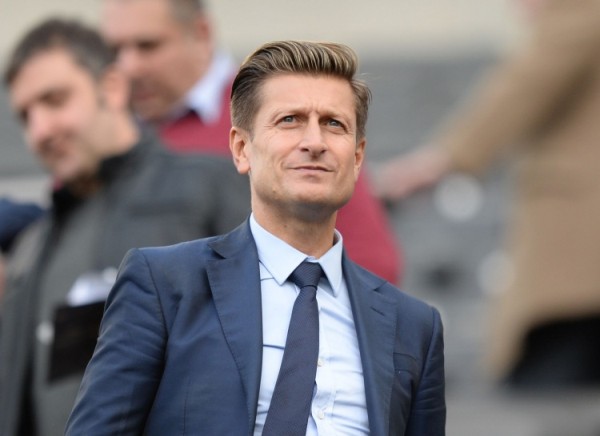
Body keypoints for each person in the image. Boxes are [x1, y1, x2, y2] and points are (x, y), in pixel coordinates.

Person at [65, 40, 446, 435]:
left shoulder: (414, 327)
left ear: (357, 158)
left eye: (334, 123)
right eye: (290, 120)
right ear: (241, 148)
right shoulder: (164, 285)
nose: (315, 142)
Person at [0, 18, 250, 436]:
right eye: (26, 117)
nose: (40, 131)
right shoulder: (32, 247)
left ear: (112, 88)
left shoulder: (211, 188)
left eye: (55, 100)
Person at [373, 0, 600, 388]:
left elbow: (520, 90)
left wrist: (428, 165)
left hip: (576, 263)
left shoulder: (579, 12)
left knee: (547, 383)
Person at [100, 0, 403, 284]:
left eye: (148, 46)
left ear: (201, 34)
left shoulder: (281, 109)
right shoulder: (107, 135)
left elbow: (372, 266)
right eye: (114, 51)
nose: (129, 67)